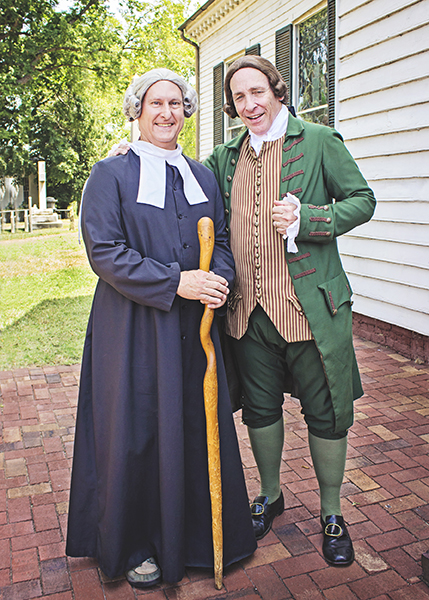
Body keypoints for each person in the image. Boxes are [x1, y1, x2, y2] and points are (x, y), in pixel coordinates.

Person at [65, 68, 256, 589]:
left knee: (193, 423)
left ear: (186, 112)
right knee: (137, 429)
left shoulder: (203, 175)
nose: (167, 113)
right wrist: (177, 282)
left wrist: (216, 280)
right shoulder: (111, 174)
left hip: (194, 329)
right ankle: (138, 544)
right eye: (156, 103)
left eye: (176, 103)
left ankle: (196, 537)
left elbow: (221, 241)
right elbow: (105, 252)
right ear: (138, 110)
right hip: (132, 328)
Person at [203, 56, 376, 567]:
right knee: (259, 410)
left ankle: (332, 512)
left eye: (257, 92)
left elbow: (363, 200)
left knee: (326, 413)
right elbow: (182, 183)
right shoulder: (224, 158)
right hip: (248, 314)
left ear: (278, 91)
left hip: (310, 309)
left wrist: (312, 219)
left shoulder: (319, 142)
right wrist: (137, 154)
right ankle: (270, 494)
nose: (249, 104)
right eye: (239, 97)